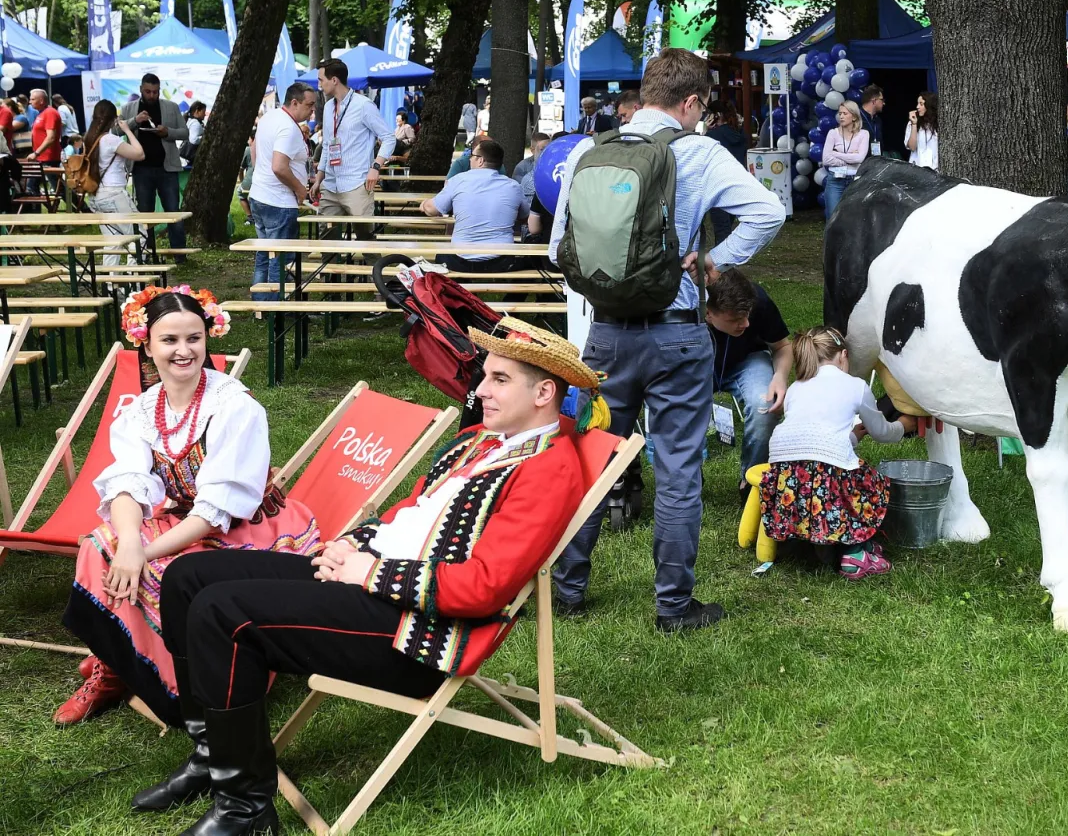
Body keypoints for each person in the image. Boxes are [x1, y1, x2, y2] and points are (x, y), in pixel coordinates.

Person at [135, 318, 601, 835]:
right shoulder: (479, 441)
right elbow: (411, 510)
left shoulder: (547, 470)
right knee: (189, 574)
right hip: (368, 580)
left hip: (415, 634)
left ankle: (245, 809)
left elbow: (484, 586)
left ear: (543, 392)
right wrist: (350, 547)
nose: (480, 390)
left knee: (222, 613)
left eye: (498, 380)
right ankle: (212, 753)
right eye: (484, 376)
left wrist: (371, 573)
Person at [549, 47, 785, 631]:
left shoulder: (590, 149)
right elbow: (769, 211)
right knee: (679, 469)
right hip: (678, 337)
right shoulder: (700, 152)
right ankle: (674, 607)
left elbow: (560, 243)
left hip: (604, 334)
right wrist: (710, 264)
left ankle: (566, 590)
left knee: (592, 462)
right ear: (690, 102)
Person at [55, 286, 323, 728]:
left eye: (194, 338)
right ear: (147, 345)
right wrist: (127, 545)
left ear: (208, 337)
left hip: (243, 528)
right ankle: (115, 663)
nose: (184, 351)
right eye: (170, 340)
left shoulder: (234, 407)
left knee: (164, 572)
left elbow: (216, 509)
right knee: (97, 546)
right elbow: (128, 486)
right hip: (186, 516)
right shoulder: (144, 408)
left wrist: (141, 553)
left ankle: (182, 688)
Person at [760, 326, 915, 581]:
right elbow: (882, 433)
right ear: (843, 355)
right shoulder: (855, 385)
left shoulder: (797, 387)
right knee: (870, 483)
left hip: (783, 471)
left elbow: (813, 440)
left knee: (822, 471)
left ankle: (804, 539)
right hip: (824, 470)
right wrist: (903, 426)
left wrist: (854, 435)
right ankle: (856, 552)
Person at [706, 268, 792, 494]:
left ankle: (752, 482)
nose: (745, 324)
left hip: (748, 360)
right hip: (698, 363)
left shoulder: (757, 299)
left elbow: (782, 346)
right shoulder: (686, 309)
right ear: (708, 314)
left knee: (765, 404)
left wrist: (780, 377)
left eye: (747, 316)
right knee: (682, 408)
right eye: (735, 319)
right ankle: (689, 479)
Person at [309, 59, 395, 241]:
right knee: (326, 238)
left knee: (365, 239)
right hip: (331, 185)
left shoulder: (363, 105)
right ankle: (331, 270)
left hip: (357, 184)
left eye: (321, 80)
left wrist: (376, 167)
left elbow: (388, 138)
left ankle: (374, 269)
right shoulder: (328, 107)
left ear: (334, 80)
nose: (319, 85)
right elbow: (327, 145)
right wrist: (319, 179)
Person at [249, 82, 317, 301]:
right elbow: (279, 166)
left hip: (260, 195)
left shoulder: (269, 117)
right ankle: (276, 306)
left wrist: (260, 174)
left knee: (264, 252)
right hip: (279, 201)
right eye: (310, 105)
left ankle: (261, 303)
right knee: (279, 257)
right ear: (294, 102)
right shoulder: (288, 127)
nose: (312, 110)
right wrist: (300, 189)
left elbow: (254, 149)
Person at [420, 138, 529, 272]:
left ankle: (459, 293)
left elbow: (432, 209)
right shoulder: (514, 186)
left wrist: (424, 204)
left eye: (472, 156)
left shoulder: (458, 180)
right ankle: (512, 294)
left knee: (441, 256)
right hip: (501, 261)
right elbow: (526, 218)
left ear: (481, 160)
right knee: (531, 262)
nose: (469, 159)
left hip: (460, 260)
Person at [119, 74, 190, 249]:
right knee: (145, 213)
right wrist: (135, 121)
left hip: (167, 168)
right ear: (141, 90)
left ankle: (179, 252)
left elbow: (185, 132)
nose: (152, 95)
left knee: (173, 212)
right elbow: (115, 130)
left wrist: (167, 132)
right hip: (141, 169)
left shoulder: (171, 108)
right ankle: (147, 250)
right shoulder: (129, 108)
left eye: (155, 92)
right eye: (148, 91)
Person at [82, 100, 146, 268]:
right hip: (114, 194)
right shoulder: (111, 140)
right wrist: (127, 130)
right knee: (139, 237)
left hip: (96, 195)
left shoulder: (88, 139)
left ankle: (111, 286)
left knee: (112, 242)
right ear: (113, 120)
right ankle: (135, 283)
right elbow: (139, 154)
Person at [704, 101, 747, 243]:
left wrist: (705, 130)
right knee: (728, 224)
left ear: (716, 116)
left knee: (721, 226)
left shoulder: (712, 136)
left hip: (718, 185)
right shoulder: (741, 134)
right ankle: (727, 260)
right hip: (737, 183)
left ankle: (723, 263)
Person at [822, 100, 869, 216]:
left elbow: (859, 159)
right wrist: (850, 158)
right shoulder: (832, 133)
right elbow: (826, 160)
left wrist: (836, 153)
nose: (841, 117)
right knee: (833, 216)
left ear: (853, 117)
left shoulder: (864, 134)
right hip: (835, 180)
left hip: (855, 180)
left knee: (853, 217)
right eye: (840, 114)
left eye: (845, 114)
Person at [25, 89, 63, 191]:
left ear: (41, 100)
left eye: (32, 99)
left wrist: (36, 153)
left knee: (58, 188)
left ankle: (82, 206)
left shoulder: (50, 113)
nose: (30, 101)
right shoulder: (41, 113)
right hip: (40, 158)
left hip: (49, 158)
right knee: (31, 186)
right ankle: (38, 207)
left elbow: (51, 137)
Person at [513, 131, 550, 210]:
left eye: (549, 148)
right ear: (532, 150)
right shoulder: (522, 168)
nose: (547, 152)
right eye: (542, 149)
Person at [905, 91, 938, 171]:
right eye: (917, 103)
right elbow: (912, 147)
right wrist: (914, 124)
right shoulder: (912, 123)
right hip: (917, 169)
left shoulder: (938, 124)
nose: (917, 107)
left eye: (921, 104)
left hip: (935, 169)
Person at [859, 84, 886, 158]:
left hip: (876, 163)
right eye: (882, 100)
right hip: (861, 164)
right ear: (874, 101)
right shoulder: (856, 118)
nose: (884, 103)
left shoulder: (878, 120)